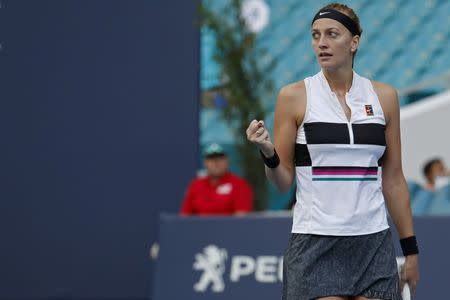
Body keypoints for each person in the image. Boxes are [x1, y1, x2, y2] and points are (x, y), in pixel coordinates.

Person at [246, 3, 419, 300]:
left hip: (373, 242)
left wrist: (410, 251)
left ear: (354, 42)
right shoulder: (293, 97)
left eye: (332, 34)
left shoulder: (385, 97)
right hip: (315, 241)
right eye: (315, 35)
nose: (321, 43)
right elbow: (283, 181)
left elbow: (393, 179)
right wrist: (268, 152)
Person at [180, 143, 254, 215]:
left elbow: (241, 219)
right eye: (211, 159)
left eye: (220, 158)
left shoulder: (239, 185)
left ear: (227, 161)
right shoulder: (195, 185)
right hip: (199, 227)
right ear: (205, 163)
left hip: (228, 227)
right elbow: (185, 217)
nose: (216, 162)